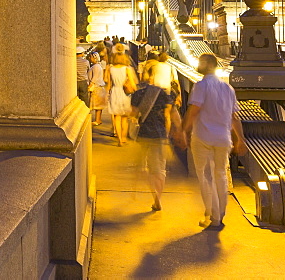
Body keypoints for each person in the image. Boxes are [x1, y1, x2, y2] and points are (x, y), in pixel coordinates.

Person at [178, 52, 245, 229]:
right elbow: (234, 117)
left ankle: (213, 215)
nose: (198, 64)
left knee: (206, 176)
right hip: (223, 138)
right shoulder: (228, 88)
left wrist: (183, 131)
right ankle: (218, 213)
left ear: (207, 65)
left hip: (203, 137)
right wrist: (241, 140)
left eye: (200, 62)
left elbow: (194, 111)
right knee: (221, 175)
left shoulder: (201, 86)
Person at [131, 66, 184, 211]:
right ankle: (157, 199)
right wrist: (174, 132)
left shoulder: (138, 94)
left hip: (144, 134)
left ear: (145, 77)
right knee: (159, 169)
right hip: (159, 134)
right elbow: (169, 116)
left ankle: (153, 194)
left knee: (146, 167)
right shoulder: (163, 94)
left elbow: (134, 114)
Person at [105, 48, 138, 145]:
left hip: (115, 92)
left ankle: (119, 139)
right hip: (125, 94)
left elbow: (109, 84)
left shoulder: (111, 69)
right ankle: (124, 138)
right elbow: (132, 83)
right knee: (124, 118)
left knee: (117, 117)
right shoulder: (127, 69)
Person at [88, 52, 107, 125]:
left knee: (97, 105)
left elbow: (95, 77)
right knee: (99, 105)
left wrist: (91, 84)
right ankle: (98, 119)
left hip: (96, 86)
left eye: (91, 57)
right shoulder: (98, 66)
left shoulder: (96, 66)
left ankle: (97, 120)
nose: (90, 58)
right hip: (99, 86)